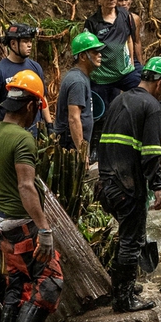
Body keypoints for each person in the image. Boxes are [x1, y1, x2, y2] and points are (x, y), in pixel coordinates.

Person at [0, 70, 63, 322]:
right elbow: (26, 186)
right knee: (51, 280)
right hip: (22, 226)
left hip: (2, 224)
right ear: (30, 105)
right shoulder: (22, 139)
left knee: (16, 282)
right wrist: (44, 229)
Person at [96, 57, 161, 313]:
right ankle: (123, 300)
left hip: (106, 185)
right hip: (128, 187)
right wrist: (157, 187)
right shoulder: (152, 106)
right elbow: (151, 153)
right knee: (131, 242)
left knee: (126, 237)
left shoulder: (118, 100)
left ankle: (125, 286)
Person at [50, 31, 103, 207]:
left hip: (73, 145)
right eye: (94, 52)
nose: (99, 55)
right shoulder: (77, 81)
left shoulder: (81, 78)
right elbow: (73, 118)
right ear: (82, 56)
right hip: (70, 146)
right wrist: (82, 152)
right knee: (69, 192)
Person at [84, 0, 142, 116]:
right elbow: (87, 52)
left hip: (124, 72)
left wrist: (132, 64)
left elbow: (130, 39)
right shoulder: (92, 23)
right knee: (103, 114)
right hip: (102, 78)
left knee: (146, 91)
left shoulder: (124, 15)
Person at [0, 22, 44, 129]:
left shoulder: (36, 67)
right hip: (10, 132)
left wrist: (49, 124)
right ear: (13, 44)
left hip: (35, 131)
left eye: (30, 41)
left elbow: (42, 98)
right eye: (25, 41)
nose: (29, 45)